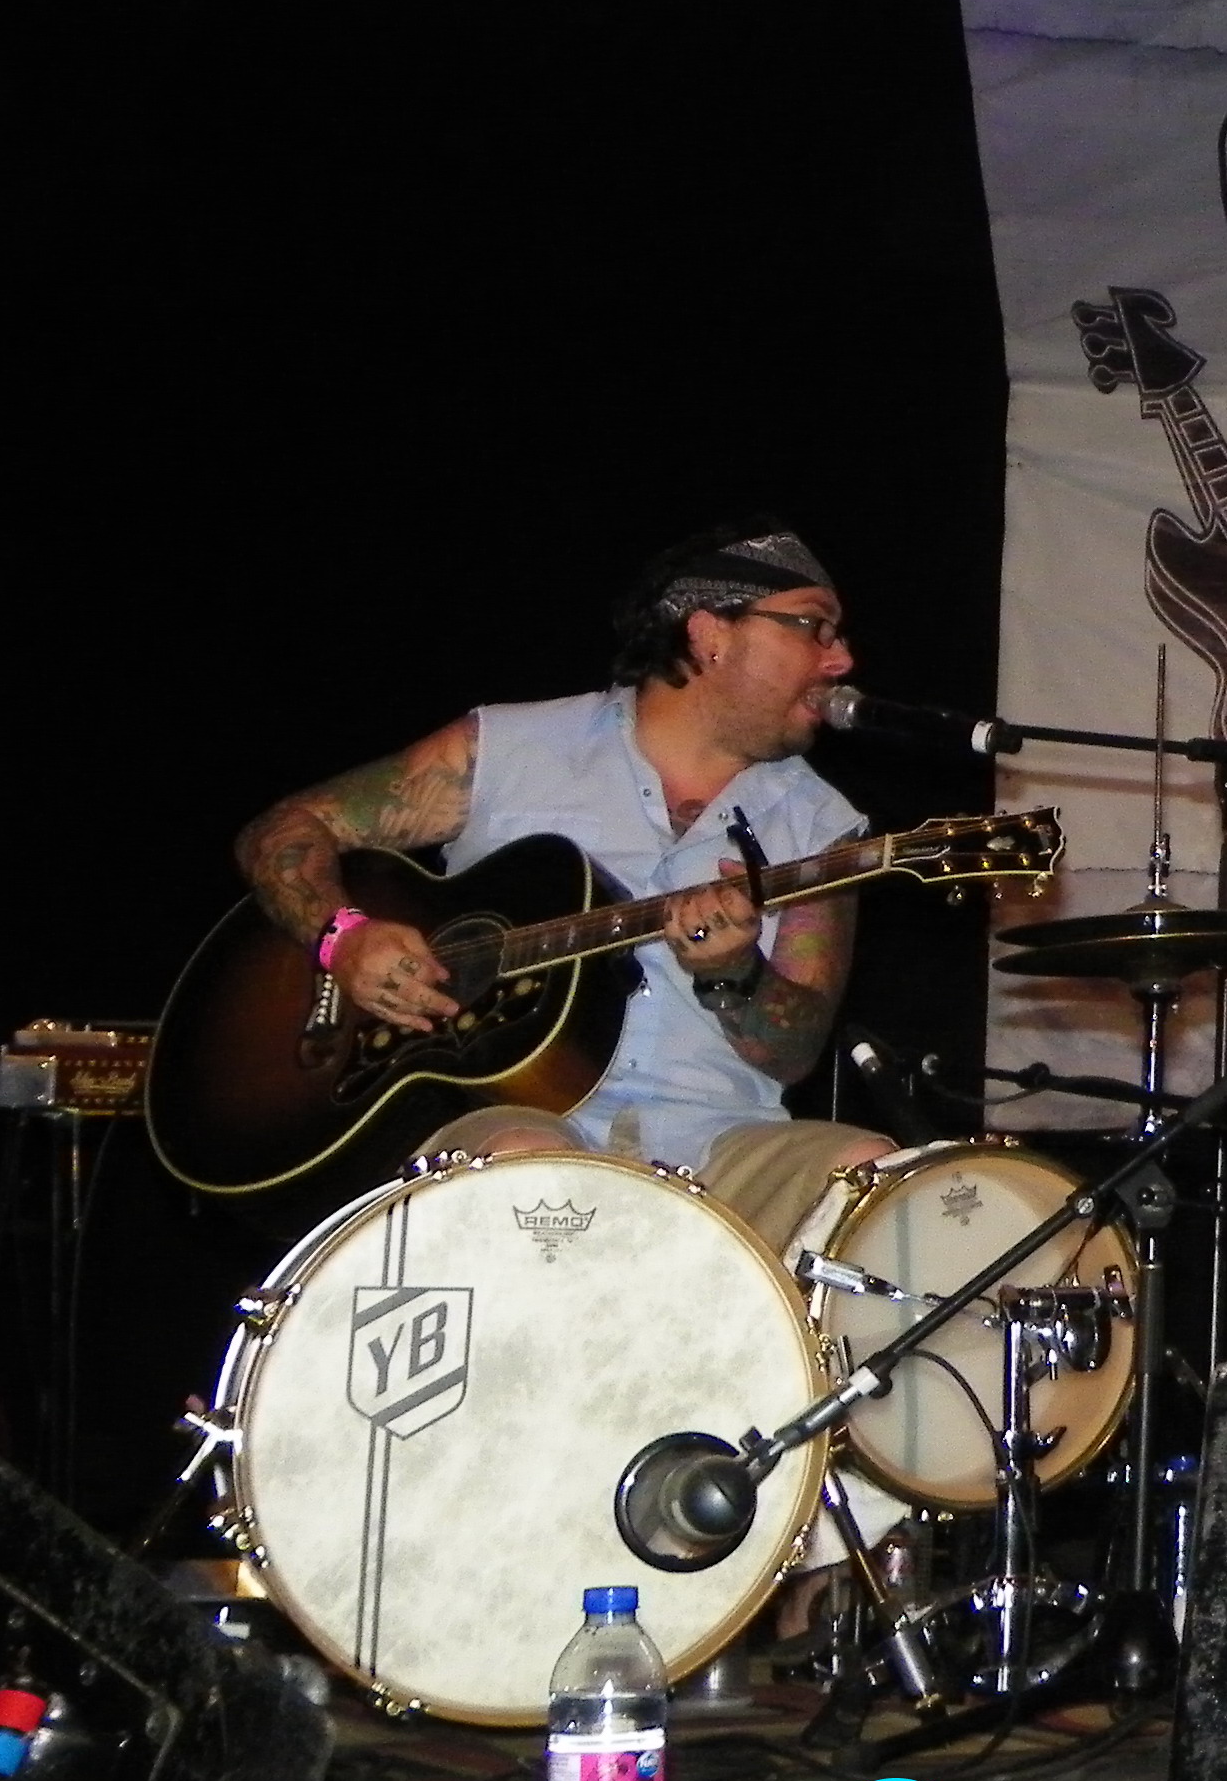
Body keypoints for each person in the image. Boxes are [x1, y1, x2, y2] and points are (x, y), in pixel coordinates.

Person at [233, 520, 888, 1247]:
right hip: (514, 1118)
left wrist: (736, 973)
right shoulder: (508, 750)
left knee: (873, 1178)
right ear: (711, 634)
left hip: (720, 1141)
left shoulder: (822, 825)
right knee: (533, 1168)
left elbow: (794, 1051)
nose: (841, 659)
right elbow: (286, 830)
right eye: (814, 627)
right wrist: (343, 938)